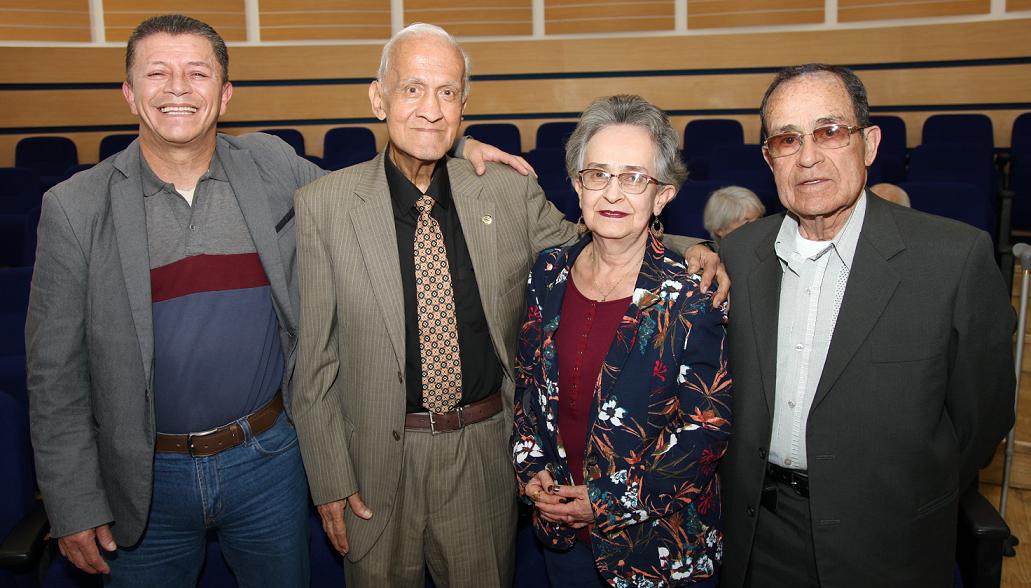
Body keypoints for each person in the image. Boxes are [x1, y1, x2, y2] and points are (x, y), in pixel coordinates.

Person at [24, 14, 535, 586]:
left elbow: (372, 189)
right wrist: (72, 501)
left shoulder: (269, 166)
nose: (177, 89)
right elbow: (54, 375)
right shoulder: (74, 208)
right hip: (145, 476)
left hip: (266, 463)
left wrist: (454, 141)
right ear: (127, 92)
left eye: (197, 73)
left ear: (225, 93)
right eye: (157, 73)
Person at [290, 24, 726, 587]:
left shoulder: (503, 190)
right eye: (412, 89)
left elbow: (597, 230)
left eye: (447, 92)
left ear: (464, 106)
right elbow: (315, 363)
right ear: (378, 99)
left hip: (483, 454)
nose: (430, 108)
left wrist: (694, 248)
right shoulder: (324, 205)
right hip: (375, 460)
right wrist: (328, 478)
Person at [718, 63, 1014, 587]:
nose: (808, 157)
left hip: (890, 541)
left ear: (869, 143)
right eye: (787, 139)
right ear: (769, 157)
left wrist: (907, 492)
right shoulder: (739, 255)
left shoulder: (952, 259)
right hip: (757, 538)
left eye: (830, 132)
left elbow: (980, 420)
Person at [510, 95, 732, 587]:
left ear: (663, 196)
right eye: (598, 174)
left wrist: (607, 500)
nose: (612, 193)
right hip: (562, 536)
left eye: (633, 177)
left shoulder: (692, 292)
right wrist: (532, 472)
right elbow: (528, 391)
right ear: (577, 186)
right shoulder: (548, 274)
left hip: (659, 550)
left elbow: (706, 430)